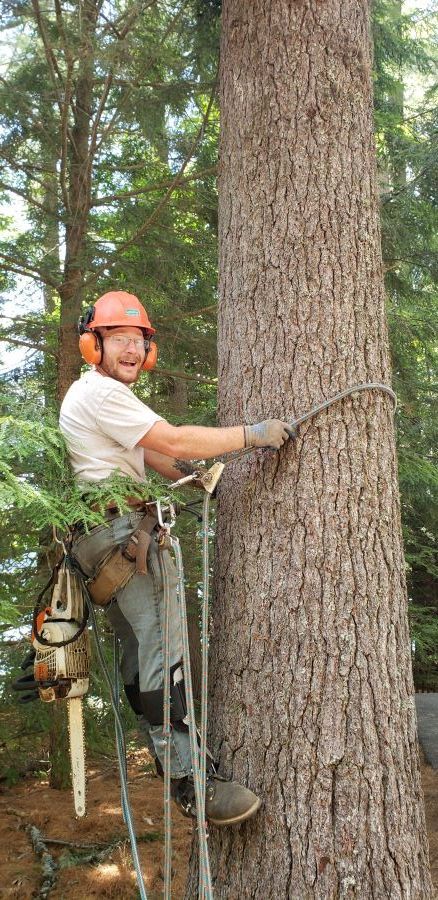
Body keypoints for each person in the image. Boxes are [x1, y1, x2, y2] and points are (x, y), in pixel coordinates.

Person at [59, 290, 294, 827]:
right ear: (93, 346)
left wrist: (191, 476)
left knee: (141, 660)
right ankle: (196, 784)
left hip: (102, 543)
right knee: (167, 655)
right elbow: (171, 435)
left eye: (138, 343)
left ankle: (179, 775)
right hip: (125, 535)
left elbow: (150, 451)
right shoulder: (103, 394)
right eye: (118, 340)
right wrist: (250, 436)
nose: (132, 352)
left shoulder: (93, 398)